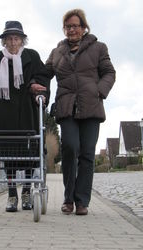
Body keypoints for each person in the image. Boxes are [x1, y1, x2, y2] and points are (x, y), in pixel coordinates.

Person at [33, 8, 115, 215]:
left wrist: (99, 92)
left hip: (91, 106)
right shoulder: (57, 51)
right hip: (66, 106)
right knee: (70, 147)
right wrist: (35, 83)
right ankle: (68, 197)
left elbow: (109, 73)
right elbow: (45, 72)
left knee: (87, 153)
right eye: (68, 26)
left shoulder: (99, 48)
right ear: (64, 29)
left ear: (84, 27)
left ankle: (81, 201)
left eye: (75, 26)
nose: (72, 30)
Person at [0, 21, 50, 212]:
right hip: (7, 112)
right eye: (9, 39)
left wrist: (38, 90)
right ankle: (11, 195)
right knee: (9, 156)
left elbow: (42, 76)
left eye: (16, 38)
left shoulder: (32, 56)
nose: (13, 43)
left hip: (28, 110)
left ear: (22, 40)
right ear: (4, 41)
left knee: (31, 154)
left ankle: (26, 191)